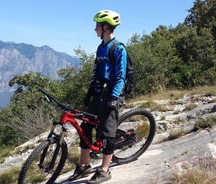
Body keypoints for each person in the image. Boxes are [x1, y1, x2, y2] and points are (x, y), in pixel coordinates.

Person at [69, 10, 127, 184]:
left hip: (113, 95)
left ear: (106, 27)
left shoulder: (118, 48)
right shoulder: (100, 48)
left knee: (108, 134)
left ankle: (104, 170)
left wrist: (114, 98)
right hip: (100, 94)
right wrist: (90, 92)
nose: (95, 29)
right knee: (85, 126)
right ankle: (83, 165)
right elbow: (97, 72)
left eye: (97, 26)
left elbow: (120, 77)